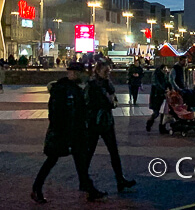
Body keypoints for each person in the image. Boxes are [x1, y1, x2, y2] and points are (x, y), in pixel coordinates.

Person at [31, 62, 106, 203]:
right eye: (77, 72)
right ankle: (36, 188)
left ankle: (89, 189)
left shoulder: (74, 89)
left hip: (75, 133)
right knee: (52, 160)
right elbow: (56, 114)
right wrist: (61, 130)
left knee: (80, 163)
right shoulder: (63, 89)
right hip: (64, 133)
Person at [85, 61, 136, 193]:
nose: (108, 74)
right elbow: (89, 103)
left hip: (106, 121)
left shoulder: (108, 84)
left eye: (109, 71)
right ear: (98, 71)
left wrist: (111, 101)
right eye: (105, 71)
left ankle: (120, 179)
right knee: (89, 152)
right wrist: (106, 102)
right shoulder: (92, 84)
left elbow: (113, 100)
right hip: (95, 122)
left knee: (114, 152)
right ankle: (84, 180)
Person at [146, 64, 170, 134]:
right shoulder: (156, 75)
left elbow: (167, 83)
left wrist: (170, 88)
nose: (166, 70)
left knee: (163, 112)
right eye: (165, 68)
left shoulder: (164, 75)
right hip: (156, 96)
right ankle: (149, 123)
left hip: (162, 95)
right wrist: (163, 90)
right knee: (156, 113)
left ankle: (162, 128)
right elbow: (156, 84)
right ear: (162, 69)